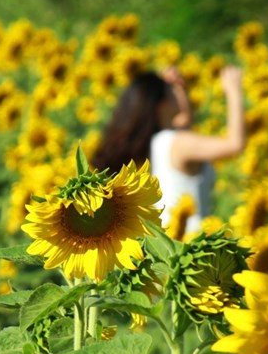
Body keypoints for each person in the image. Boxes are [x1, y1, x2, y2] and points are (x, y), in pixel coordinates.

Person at [91, 66, 246, 233]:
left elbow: (185, 122)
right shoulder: (176, 142)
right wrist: (233, 91)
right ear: (162, 102)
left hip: (170, 244)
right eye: (171, 91)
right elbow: (234, 144)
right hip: (189, 245)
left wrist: (177, 88)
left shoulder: (158, 143)